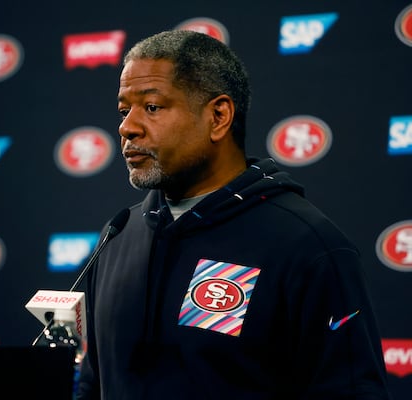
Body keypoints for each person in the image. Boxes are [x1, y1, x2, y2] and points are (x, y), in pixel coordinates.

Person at [75, 29, 392, 399]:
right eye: (123, 110)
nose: (127, 127)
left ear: (219, 116)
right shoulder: (118, 236)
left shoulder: (308, 244)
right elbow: (93, 383)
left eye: (152, 107)